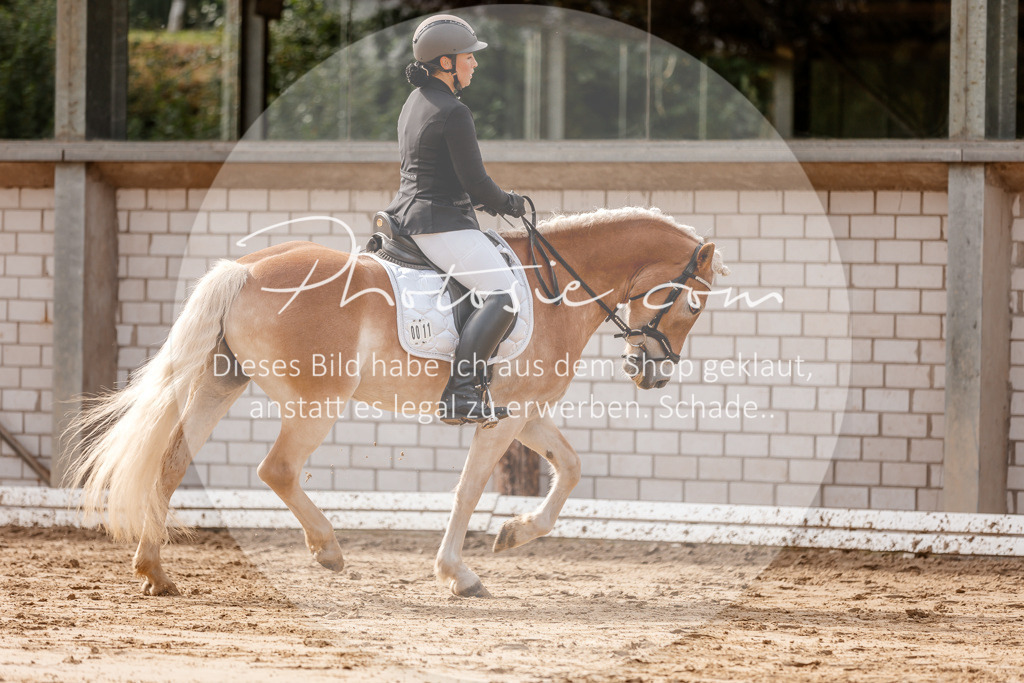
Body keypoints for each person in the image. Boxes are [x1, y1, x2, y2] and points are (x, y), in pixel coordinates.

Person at [385, 14, 527, 425]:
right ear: (446, 63)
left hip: (409, 215)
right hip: (439, 222)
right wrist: (509, 202)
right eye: (468, 57)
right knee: (507, 293)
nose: (474, 64)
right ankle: (462, 392)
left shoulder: (414, 103)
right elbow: (476, 183)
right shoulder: (454, 111)